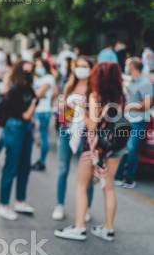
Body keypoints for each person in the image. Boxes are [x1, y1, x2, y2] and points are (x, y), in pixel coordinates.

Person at [55, 62, 124, 241]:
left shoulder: (95, 96)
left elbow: (92, 125)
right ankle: (108, 229)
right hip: (115, 146)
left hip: (95, 147)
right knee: (109, 187)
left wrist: (79, 109)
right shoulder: (120, 96)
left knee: (81, 186)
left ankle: (79, 228)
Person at [52, 57, 94, 221]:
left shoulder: (93, 89)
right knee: (63, 169)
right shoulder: (68, 86)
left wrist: (82, 110)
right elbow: (61, 114)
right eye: (78, 66)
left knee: (87, 174)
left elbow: (95, 115)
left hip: (85, 134)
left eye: (84, 66)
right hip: (66, 131)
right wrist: (64, 112)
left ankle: (87, 208)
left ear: (91, 69)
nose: (81, 69)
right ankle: (60, 205)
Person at [0, 60, 37, 220]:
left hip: (25, 128)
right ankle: (3, 205)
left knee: (25, 166)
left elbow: (31, 108)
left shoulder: (28, 88)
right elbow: (26, 113)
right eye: (26, 71)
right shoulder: (14, 90)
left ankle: (20, 201)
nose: (28, 74)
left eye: (31, 71)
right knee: (11, 166)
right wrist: (33, 105)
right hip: (15, 128)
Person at [114, 58, 152, 188]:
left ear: (132, 67)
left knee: (131, 148)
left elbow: (147, 104)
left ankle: (129, 179)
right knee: (123, 148)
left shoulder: (145, 83)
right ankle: (118, 177)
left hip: (139, 121)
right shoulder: (132, 82)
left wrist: (129, 107)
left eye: (127, 65)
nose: (126, 67)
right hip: (128, 119)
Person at [31, 58, 56, 171]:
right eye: (36, 65)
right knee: (39, 136)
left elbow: (38, 93)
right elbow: (54, 92)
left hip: (42, 111)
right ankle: (39, 161)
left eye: (39, 65)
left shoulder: (48, 78)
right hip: (39, 109)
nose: (37, 67)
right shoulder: (40, 78)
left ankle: (41, 161)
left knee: (41, 136)